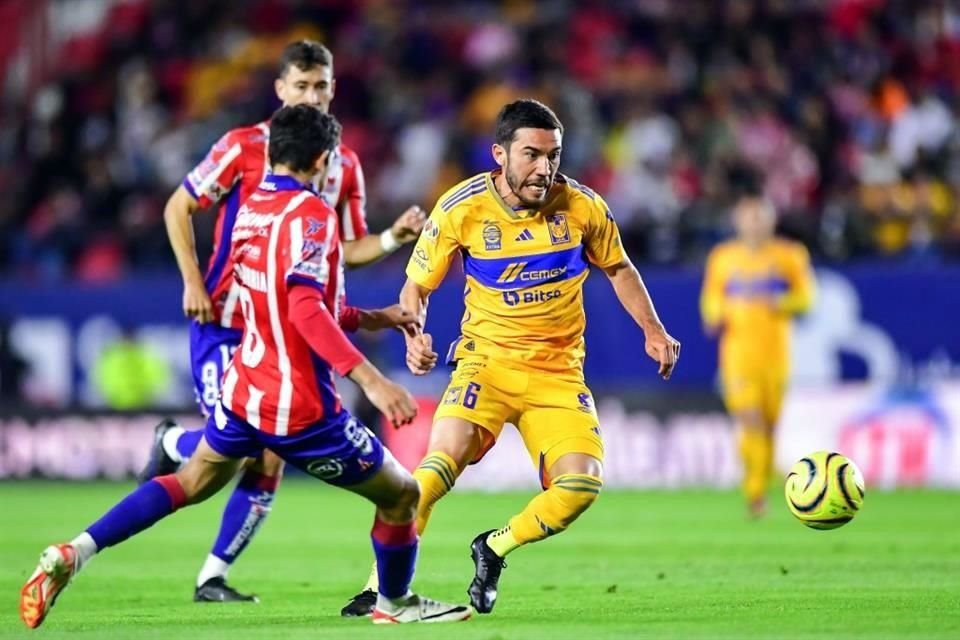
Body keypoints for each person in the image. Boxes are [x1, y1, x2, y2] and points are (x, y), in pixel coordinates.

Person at [19, 105, 472, 630]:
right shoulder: (313, 216)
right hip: (300, 406)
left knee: (191, 481)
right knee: (402, 495)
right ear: (323, 160)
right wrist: (371, 379)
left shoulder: (250, 210)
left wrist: (376, 318)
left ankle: (74, 552)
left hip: (244, 390)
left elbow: (293, 301)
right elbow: (303, 308)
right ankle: (394, 603)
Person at [340, 99, 681, 617]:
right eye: (531, 155)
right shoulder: (461, 206)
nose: (544, 168)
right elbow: (417, 286)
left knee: (581, 485)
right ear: (499, 154)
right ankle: (378, 588)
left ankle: (495, 547)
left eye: (554, 155)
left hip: (558, 375)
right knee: (434, 468)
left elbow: (619, 268)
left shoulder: (584, 206)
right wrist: (413, 333)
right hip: (486, 364)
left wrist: (652, 329)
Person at [140, 40, 426, 602]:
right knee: (249, 444)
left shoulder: (342, 162)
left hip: (279, 330)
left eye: (321, 86)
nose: (312, 97)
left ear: (334, 88)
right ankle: (174, 443)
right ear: (280, 89)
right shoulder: (243, 146)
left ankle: (212, 576)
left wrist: (391, 238)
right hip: (227, 319)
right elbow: (179, 206)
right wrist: (193, 281)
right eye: (301, 86)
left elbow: (346, 247)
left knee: (264, 445)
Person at [700, 194, 815, 517]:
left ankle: (762, 482)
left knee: (769, 426)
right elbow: (710, 299)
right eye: (748, 217)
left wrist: (781, 303)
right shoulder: (723, 257)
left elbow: (807, 298)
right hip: (738, 356)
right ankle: (755, 493)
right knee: (750, 420)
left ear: (771, 221)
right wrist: (715, 314)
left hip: (776, 357)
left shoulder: (790, 255)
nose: (754, 223)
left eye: (760, 217)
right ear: (738, 221)